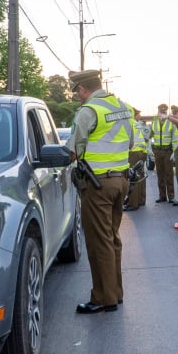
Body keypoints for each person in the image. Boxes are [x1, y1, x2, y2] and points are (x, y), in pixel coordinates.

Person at [65, 69, 133, 314]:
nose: (78, 97)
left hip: (98, 185)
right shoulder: (122, 107)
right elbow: (132, 142)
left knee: (98, 242)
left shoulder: (89, 111)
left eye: (78, 93)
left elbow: (72, 151)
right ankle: (115, 292)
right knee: (112, 239)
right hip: (121, 181)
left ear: (83, 89)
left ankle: (104, 298)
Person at [150, 103, 176, 204]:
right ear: (158, 112)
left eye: (164, 112)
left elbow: (174, 137)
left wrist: (173, 151)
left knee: (169, 174)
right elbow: (150, 135)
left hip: (167, 152)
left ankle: (171, 196)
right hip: (157, 152)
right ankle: (162, 196)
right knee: (160, 174)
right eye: (161, 112)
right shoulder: (154, 122)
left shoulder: (171, 122)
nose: (163, 113)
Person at [124, 107, 148, 211]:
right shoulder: (138, 124)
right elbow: (145, 138)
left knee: (133, 178)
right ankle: (141, 200)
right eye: (138, 114)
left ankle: (133, 203)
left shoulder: (129, 123)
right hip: (142, 152)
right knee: (141, 176)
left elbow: (127, 140)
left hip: (133, 152)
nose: (140, 116)